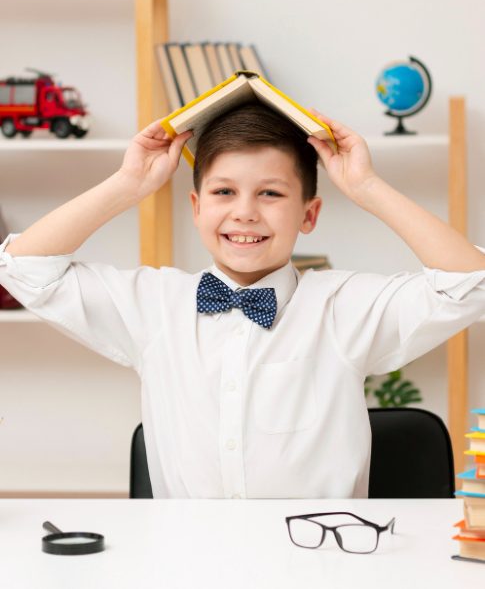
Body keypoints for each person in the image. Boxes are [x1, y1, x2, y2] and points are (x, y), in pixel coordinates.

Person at [1, 102, 485, 499]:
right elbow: (25, 270)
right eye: (224, 191)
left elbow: (471, 282)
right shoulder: (154, 305)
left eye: (271, 193)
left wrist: (367, 188)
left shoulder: (343, 307)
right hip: (188, 565)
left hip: (321, 565)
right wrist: (129, 185)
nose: (245, 213)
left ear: (308, 214)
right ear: (196, 207)